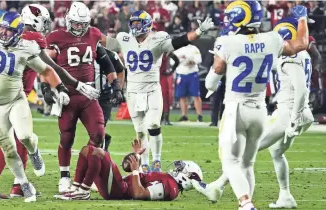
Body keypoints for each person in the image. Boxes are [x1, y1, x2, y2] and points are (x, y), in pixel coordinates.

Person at [0, 9, 71, 202]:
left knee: (24, 137)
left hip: (16, 98)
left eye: (9, 30)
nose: (3, 33)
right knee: (8, 148)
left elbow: (46, 69)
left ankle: (32, 156)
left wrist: (60, 87)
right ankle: (22, 184)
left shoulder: (27, 44)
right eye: (2, 29)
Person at [200, 16, 315, 209]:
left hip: (260, 110)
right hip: (262, 110)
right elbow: (302, 44)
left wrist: (295, 117)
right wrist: (302, 19)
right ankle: (285, 195)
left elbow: (211, 83)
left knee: (233, 160)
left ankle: (230, 194)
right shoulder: (279, 45)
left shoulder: (231, 43)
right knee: (270, 155)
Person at [100, 10, 214, 173]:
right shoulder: (124, 39)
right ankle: (145, 163)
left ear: (147, 24)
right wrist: (88, 31)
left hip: (152, 89)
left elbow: (179, 41)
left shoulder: (158, 38)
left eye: (138, 23)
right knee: (139, 131)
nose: (135, 26)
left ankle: (157, 160)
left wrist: (199, 31)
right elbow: (104, 41)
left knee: (153, 124)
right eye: (133, 23)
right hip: (132, 92)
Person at [45, 2, 123, 194]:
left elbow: (109, 54)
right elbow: (45, 64)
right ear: (68, 20)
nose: (79, 27)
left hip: (89, 94)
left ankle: (89, 176)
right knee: (66, 137)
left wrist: (116, 84)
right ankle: (64, 177)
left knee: (99, 135)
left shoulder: (94, 34)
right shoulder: (56, 37)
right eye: (76, 23)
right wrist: (46, 86)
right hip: (67, 94)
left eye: (83, 23)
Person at [54, 139, 203, 201]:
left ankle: (83, 192)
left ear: (186, 176)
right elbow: (127, 167)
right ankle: (76, 188)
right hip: (120, 185)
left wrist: (136, 170)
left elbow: (139, 193)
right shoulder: (168, 180)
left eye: (181, 168)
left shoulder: (171, 188)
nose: (177, 168)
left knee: (98, 153)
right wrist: (136, 155)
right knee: (88, 150)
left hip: (120, 190)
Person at [174, 43, 203, 122]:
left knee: (196, 95)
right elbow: (172, 62)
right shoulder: (176, 48)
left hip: (192, 73)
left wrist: (191, 62)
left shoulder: (194, 48)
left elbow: (199, 59)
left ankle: (199, 115)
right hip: (181, 73)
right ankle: (184, 115)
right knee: (182, 96)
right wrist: (180, 59)